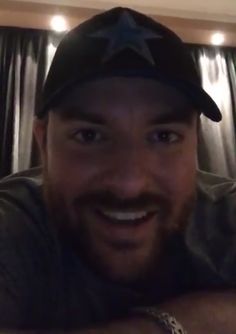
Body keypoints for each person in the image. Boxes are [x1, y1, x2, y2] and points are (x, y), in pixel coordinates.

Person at [0, 6, 235, 333]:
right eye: (89, 136)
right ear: (43, 142)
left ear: (195, 142)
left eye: (164, 136)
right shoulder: (13, 226)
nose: (129, 184)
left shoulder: (227, 216)